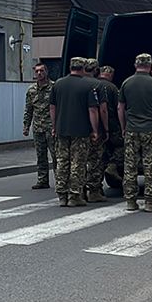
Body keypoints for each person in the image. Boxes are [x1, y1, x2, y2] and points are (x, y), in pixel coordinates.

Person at [49, 57, 101, 207]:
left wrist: (54, 126)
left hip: (61, 129)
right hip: (81, 130)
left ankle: (62, 195)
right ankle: (74, 195)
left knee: (62, 162)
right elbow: (92, 110)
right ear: (84, 68)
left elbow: (52, 108)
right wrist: (95, 129)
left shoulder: (58, 84)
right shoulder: (87, 86)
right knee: (78, 162)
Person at [119, 54, 152, 212]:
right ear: (150, 66)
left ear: (135, 64)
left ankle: (131, 201)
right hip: (151, 130)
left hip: (132, 130)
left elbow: (120, 108)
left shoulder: (126, 83)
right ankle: (150, 202)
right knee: (151, 166)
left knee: (130, 166)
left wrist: (123, 127)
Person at [23, 63, 55, 190]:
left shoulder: (54, 87)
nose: (39, 73)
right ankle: (42, 180)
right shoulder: (31, 90)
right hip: (38, 128)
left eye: (42, 71)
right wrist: (26, 125)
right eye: (37, 71)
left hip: (51, 127)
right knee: (41, 155)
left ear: (46, 72)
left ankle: (60, 179)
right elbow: (29, 109)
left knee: (56, 155)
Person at [83, 58, 110, 202]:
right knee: (95, 160)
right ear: (96, 70)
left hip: (78, 129)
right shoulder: (98, 85)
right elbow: (102, 110)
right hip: (94, 128)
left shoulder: (76, 84)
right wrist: (104, 128)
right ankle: (94, 191)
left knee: (79, 160)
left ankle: (79, 190)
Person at [98, 65, 123, 187]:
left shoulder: (93, 85)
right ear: (111, 75)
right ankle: (113, 165)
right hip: (111, 124)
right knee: (121, 145)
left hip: (95, 125)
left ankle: (96, 187)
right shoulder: (113, 88)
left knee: (100, 154)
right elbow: (119, 107)